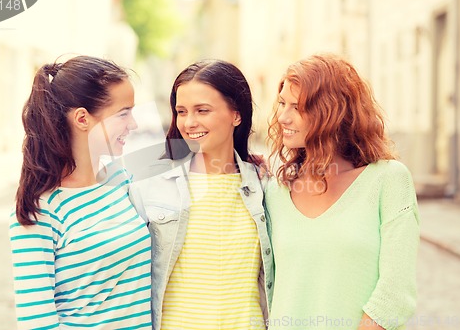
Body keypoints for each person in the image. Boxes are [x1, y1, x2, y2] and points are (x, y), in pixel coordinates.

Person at [265, 53, 420, 330]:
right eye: (281, 104)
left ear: (332, 112)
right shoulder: (275, 193)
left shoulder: (388, 181)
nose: (283, 117)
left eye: (297, 107)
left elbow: (396, 295)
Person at [129, 60, 274, 330]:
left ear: (236, 115)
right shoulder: (148, 183)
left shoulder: (266, 186)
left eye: (202, 110)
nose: (189, 122)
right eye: (181, 111)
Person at [9, 56, 152, 329]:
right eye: (123, 113)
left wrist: (249, 161)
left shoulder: (119, 180)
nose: (133, 124)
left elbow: (198, 159)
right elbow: (37, 324)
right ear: (83, 118)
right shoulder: (39, 211)